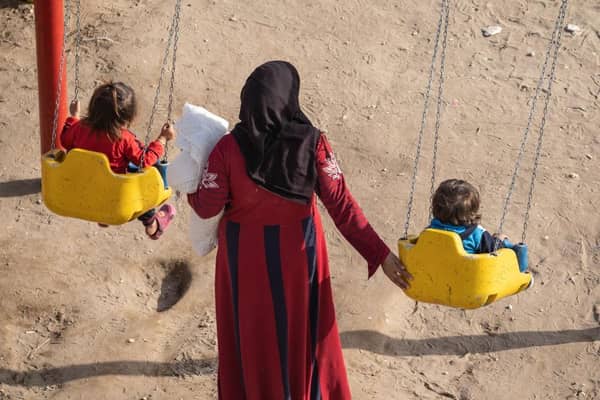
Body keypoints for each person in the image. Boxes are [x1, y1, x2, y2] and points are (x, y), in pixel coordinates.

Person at [187, 61, 412, 399]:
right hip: (297, 259)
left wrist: (189, 182)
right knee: (297, 335)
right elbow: (342, 205)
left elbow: (206, 206)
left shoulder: (227, 149)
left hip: (243, 261)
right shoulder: (313, 145)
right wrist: (380, 255)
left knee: (250, 335)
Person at [60, 81, 176, 239]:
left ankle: (103, 217)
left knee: (107, 172)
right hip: (115, 198)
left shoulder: (79, 128)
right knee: (145, 176)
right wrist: (162, 139)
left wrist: (73, 117)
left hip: (85, 189)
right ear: (129, 116)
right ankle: (151, 224)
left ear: (93, 108)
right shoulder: (124, 139)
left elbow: (65, 140)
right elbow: (145, 160)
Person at [429, 178, 519, 255]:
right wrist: (499, 241)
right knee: (500, 239)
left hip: (437, 273)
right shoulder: (477, 235)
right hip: (467, 274)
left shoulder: (432, 229)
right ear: (472, 212)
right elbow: (494, 253)